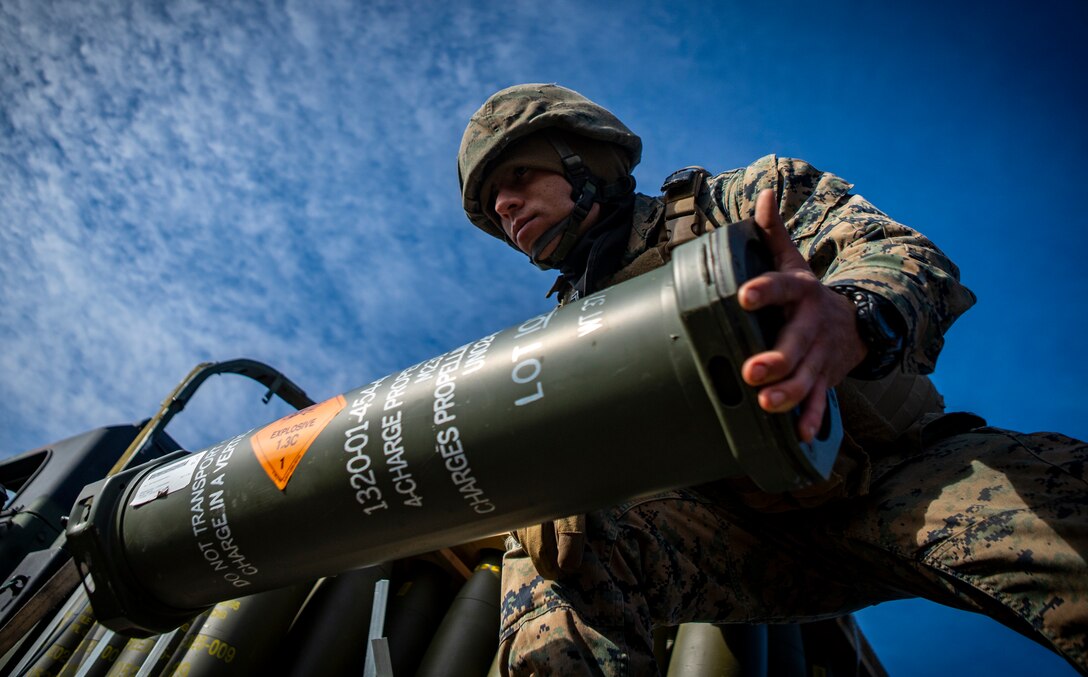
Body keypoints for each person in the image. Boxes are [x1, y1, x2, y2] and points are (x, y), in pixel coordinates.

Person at [457, 83, 1088, 675]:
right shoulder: (556, 338)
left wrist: (850, 316)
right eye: (491, 205)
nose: (506, 206)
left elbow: (901, 256)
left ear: (586, 159)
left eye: (519, 176)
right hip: (742, 533)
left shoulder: (733, 206)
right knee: (557, 542)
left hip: (900, 479)